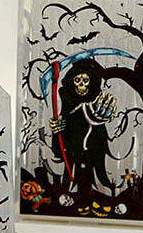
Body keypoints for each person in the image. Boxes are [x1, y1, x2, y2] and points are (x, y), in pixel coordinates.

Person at [49, 58, 117, 201]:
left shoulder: (96, 101)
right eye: (77, 80)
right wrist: (57, 129)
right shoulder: (67, 101)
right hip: (73, 150)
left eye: (85, 80)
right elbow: (63, 122)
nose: (81, 84)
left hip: (93, 149)